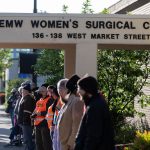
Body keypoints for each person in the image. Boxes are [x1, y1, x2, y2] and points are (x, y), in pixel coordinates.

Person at [74, 75, 115, 150]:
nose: (78, 92)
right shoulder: (95, 103)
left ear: (86, 89)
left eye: (79, 88)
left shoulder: (95, 107)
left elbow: (93, 136)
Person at [57, 75, 84, 150]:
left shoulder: (76, 101)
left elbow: (77, 124)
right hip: (64, 143)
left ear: (68, 90)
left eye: (61, 90)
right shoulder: (67, 103)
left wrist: (71, 143)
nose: (59, 92)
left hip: (69, 145)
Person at [31, 85, 54, 150]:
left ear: (46, 91)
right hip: (37, 124)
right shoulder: (39, 100)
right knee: (38, 143)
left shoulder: (50, 99)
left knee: (46, 144)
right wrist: (33, 115)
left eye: (43, 91)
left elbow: (49, 112)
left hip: (45, 124)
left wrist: (40, 113)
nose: (41, 93)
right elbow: (36, 110)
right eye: (40, 91)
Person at [18, 83, 36, 150]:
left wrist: (23, 121)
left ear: (26, 91)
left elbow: (27, 112)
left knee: (27, 139)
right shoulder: (26, 98)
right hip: (25, 122)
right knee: (27, 139)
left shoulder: (28, 99)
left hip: (26, 122)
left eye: (23, 91)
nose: (22, 92)